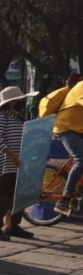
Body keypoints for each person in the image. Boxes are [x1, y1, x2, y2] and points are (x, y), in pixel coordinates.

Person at [0, 86, 37, 240]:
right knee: (3, 197)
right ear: (11, 102)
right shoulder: (1, 116)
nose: (23, 101)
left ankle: (12, 226)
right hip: (8, 164)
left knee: (19, 197)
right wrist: (12, 154)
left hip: (22, 164)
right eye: (20, 99)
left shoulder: (19, 118)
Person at [46, 73, 83, 215]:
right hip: (66, 127)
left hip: (78, 128)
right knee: (81, 159)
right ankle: (64, 200)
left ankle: (79, 188)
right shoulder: (81, 87)